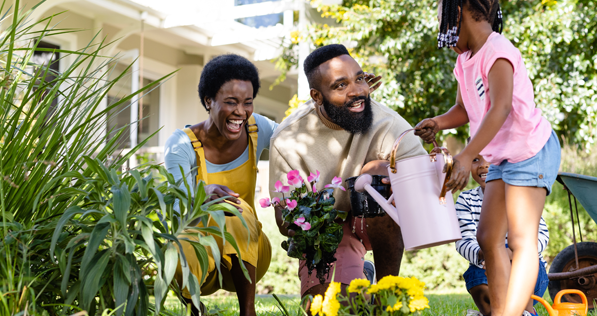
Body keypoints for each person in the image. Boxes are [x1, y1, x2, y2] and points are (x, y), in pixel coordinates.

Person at [414, 0, 562, 315]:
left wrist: (466, 157)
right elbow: (465, 110)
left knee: (522, 240)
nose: (442, 31)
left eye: (443, 21)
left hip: (529, 150)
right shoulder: (465, 61)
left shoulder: (498, 51)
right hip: (502, 155)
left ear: (460, 12)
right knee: (487, 236)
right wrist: (438, 123)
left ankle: (517, 312)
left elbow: (501, 107)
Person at [268, 44, 425, 298]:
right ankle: (360, 273)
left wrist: (404, 185)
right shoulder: (288, 139)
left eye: (360, 79)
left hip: (378, 222)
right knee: (328, 308)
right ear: (317, 96)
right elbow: (283, 219)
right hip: (327, 231)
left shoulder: (389, 124)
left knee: (380, 173)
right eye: (341, 85)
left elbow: (424, 183)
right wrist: (309, 224)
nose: (357, 91)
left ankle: (387, 292)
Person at [164, 54, 276, 316]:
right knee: (172, 250)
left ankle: (247, 312)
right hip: (200, 253)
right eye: (230, 102)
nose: (241, 111)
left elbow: (297, 137)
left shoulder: (257, 128)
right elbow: (177, 201)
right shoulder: (181, 144)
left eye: (248, 102)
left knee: (232, 210)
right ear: (208, 101)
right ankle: (195, 308)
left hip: (250, 253)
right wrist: (200, 194)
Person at [455, 150, 550, 316]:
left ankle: (525, 312)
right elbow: (463, 240)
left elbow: (541, 234)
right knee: (479, 281)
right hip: (484, 264)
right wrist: (485, 254)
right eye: (476, 159)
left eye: (491, 158)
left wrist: (512, 253)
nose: (484, 164)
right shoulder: (466, 199)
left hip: (524, 263)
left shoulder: (521, 195)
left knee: (519, 268)